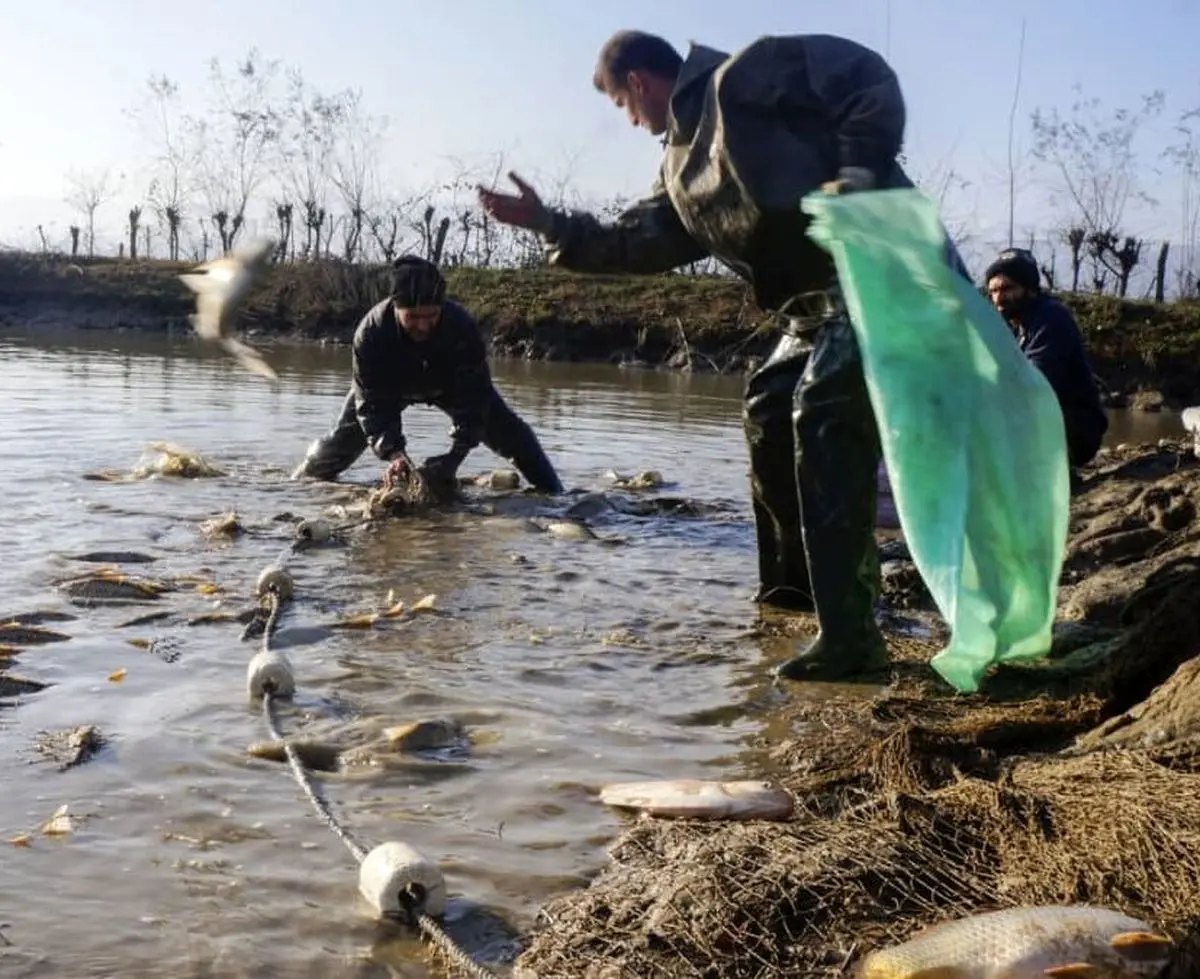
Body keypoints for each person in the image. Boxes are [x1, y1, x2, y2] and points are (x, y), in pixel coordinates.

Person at [478, 29, 972, 682]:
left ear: (638, 84)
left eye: (625, 110)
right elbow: (634, 245)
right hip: (816, 307)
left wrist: (856, 172)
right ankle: (794, 597)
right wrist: (548, 225)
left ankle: (853, 637)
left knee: (820, 411)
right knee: (768, 405)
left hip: (886, 268)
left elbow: (864, 75)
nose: (632, 123)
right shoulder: (684, 172)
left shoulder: (746, 76)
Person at [292, 255, 564, 495]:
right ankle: (296, 486)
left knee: (516, 437)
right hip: (388, 386)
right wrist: (395, 456)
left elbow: (475, 399)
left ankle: (557, 496)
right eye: (413, 317)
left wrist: (453, 459)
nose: (423, 326)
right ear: (396, 306)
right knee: (338, 445)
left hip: (449, 384)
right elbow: (373, 407)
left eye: (431, 316)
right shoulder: (371, 333)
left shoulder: (462, 327)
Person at [983, 248, 1109, 471]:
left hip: (1075, 428)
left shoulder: (1051, 318)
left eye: (1007, 288)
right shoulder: (1012, 325)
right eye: (993, 291)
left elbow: (1035, 381)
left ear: (1029, 288)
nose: (999, 298)